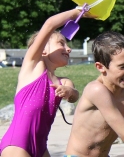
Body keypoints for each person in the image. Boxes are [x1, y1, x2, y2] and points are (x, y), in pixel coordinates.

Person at [0, 9, 91, 157]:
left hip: (41, 147)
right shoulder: (32, 67)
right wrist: (76, 12)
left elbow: (74, 95)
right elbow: (50, 24)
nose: (68, 48)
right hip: (17, 144)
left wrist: (69, 92)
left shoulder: (64, 81)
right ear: (42, 50)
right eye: (61, 43)